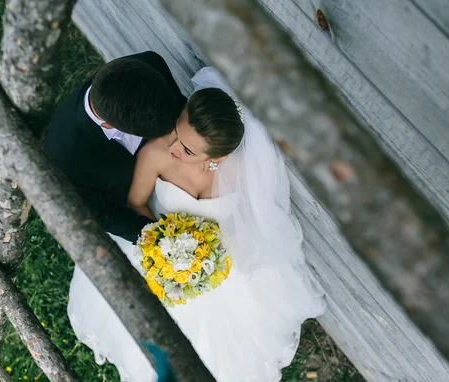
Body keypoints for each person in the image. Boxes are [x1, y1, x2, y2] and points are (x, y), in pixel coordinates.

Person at [67, 67, 327, 381]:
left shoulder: (243, 169)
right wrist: (164, 251)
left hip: (220, 261)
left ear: (216, 158)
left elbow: (249, 218)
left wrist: (208, 257)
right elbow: (136, 204)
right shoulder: (156, 154)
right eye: (177, 132)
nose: (174, 147)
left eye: (188, 150)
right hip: (158, 251)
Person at [44, 51, 186, 242]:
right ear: (109, 126)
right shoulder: (65, 158)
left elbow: (181, 111)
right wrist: (165, 243)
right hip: (140, 207)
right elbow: (103, 213)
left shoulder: (150, 63)